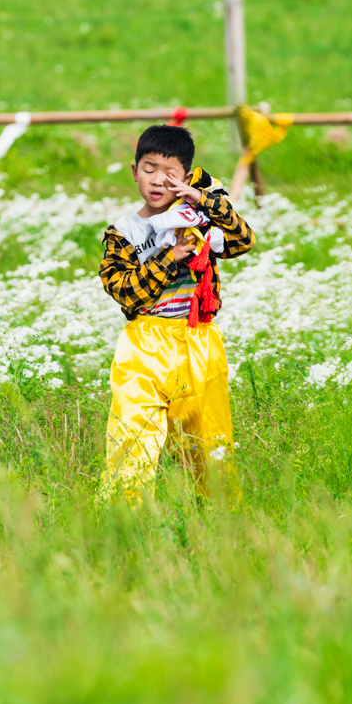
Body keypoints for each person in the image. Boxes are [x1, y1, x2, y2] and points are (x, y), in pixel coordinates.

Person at [98, 124, 254, 503]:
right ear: (134, 171)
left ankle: (219, 522)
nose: (157, 181)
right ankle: (122, 521)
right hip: (144, 345)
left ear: (184, 178)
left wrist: (201, 199)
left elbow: (242, 240)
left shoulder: (198, 219)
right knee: (132, 439)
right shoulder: (124, 232)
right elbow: (125, 293)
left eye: (170, 174)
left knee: (209, 444)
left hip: (199, 340)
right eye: (148, 169)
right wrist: (171, 257)